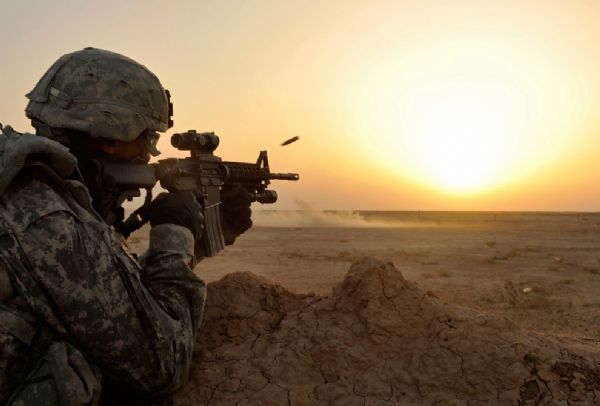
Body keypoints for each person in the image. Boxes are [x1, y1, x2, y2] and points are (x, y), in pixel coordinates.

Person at [0, 47, 252, 405]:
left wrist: (205, 236)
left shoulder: (25, 185)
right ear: (110, 139)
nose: (151, 155)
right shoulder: (48, 220)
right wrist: (174, 236)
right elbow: (163, 363)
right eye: (148, 139)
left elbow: (110, 288)